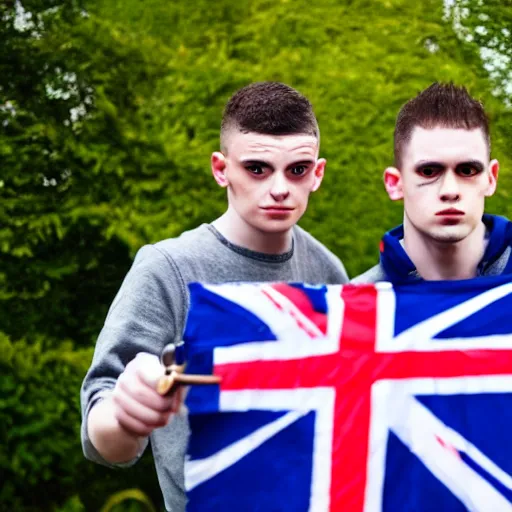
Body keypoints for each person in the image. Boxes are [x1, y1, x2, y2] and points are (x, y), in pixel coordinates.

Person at [80, 81, 349, 511]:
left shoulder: (329, 272)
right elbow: (102, 431)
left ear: (317, 173)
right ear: (221, 169)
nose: (280, 188)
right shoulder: (167, 267)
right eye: (257, 168)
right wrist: (124, 413)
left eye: (296, 170)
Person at [353, 82, 512, 284]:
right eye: (428, 171)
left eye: (467, 171)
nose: (450, 191)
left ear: (491, 178)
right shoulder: (358, 307)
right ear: (395, 184)